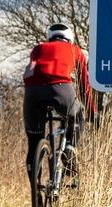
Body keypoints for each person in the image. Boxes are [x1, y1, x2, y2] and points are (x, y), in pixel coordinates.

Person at [23, 23, 94, 178]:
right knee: (77, 114)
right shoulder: (76, 50)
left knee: (34, 142)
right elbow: (84, 86)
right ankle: (69, 147)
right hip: (61, 88)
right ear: (70, 38)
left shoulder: (38, 49)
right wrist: (92, 111)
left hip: (32, 90)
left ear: (50, 37)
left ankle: (37, 196)